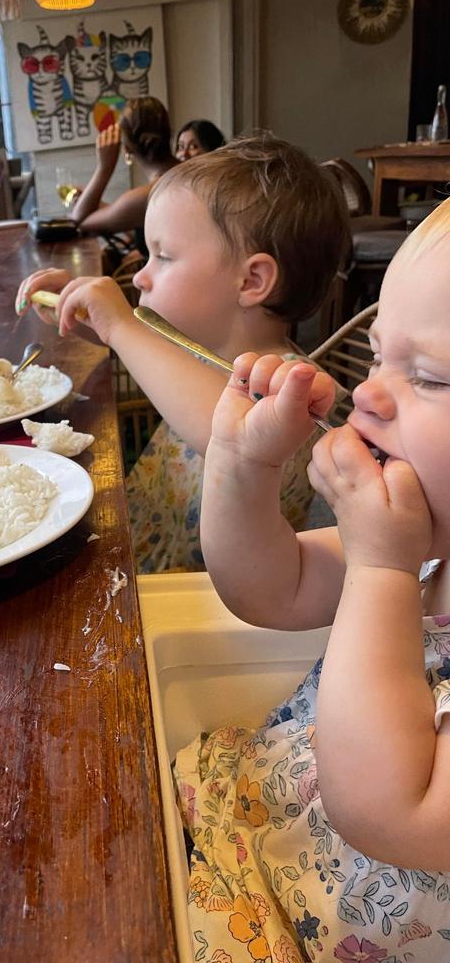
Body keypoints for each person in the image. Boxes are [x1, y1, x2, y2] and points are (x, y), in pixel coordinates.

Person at [177, 197, 450, 961]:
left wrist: (382, 567)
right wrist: (244, 465)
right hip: (256, 840)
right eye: (378, 357)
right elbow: (272, 586)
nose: (367, 392)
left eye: (430, 378)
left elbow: (390, 811)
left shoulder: (398, 552)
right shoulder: (431, 539)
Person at [16, 133, 350, 572]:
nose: (140, 278)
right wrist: (88, 316)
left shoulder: (290, 389)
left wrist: (119, 325)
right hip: (137, 553)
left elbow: (229, 431)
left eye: (164, 257)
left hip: (197, 599)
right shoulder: (201, 345)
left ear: (250, 283)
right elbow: (157, 355)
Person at [68, 96, 178, 258]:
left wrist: (104, 168)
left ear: (125, 148)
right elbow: (127, 214)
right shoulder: (185, 172)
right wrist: (95, 202)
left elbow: (78, 222)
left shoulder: (147, 195)